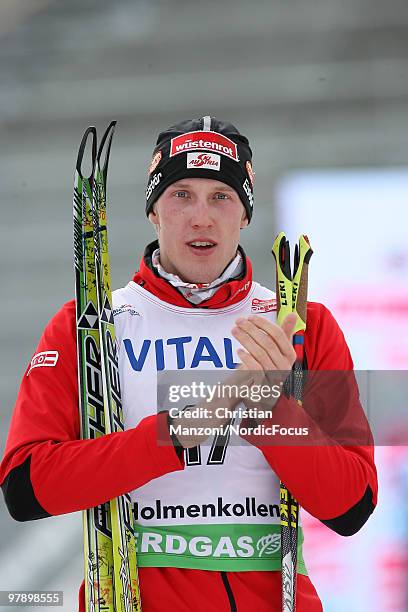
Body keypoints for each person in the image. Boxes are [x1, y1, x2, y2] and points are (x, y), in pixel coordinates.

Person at [0, 116, 377, 611]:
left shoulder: (302, 325)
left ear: (244, 214)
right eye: (181, 194)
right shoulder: (91, 325)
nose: (201, 217)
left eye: (222, 196)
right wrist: (178, 432)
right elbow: (27, 489)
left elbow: (351, 507)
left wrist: (269, 409)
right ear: (153, 209)